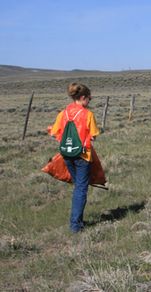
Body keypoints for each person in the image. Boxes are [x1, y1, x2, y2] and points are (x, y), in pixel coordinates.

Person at [48, 83, 100, 233]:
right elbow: (94, 136)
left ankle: (78, 221)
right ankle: (75, 226)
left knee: (78, 187)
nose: (89, 101)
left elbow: (54, 133)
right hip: (83, 156)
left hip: (66, 155)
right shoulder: (87, 114)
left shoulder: (63, 113)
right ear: (83, 97)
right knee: (81, 189)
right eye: (89, 98)